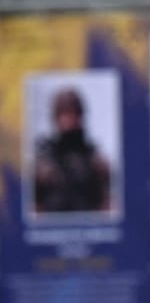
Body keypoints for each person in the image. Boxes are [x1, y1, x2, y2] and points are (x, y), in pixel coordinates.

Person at [31, 87, 112, 215]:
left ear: (80, 116)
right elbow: (33, 209)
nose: (66, 120)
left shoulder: (96, 161)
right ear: (55, 118)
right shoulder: (43, 161)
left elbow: (108, 207)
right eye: (62, 113)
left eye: (71, 113)